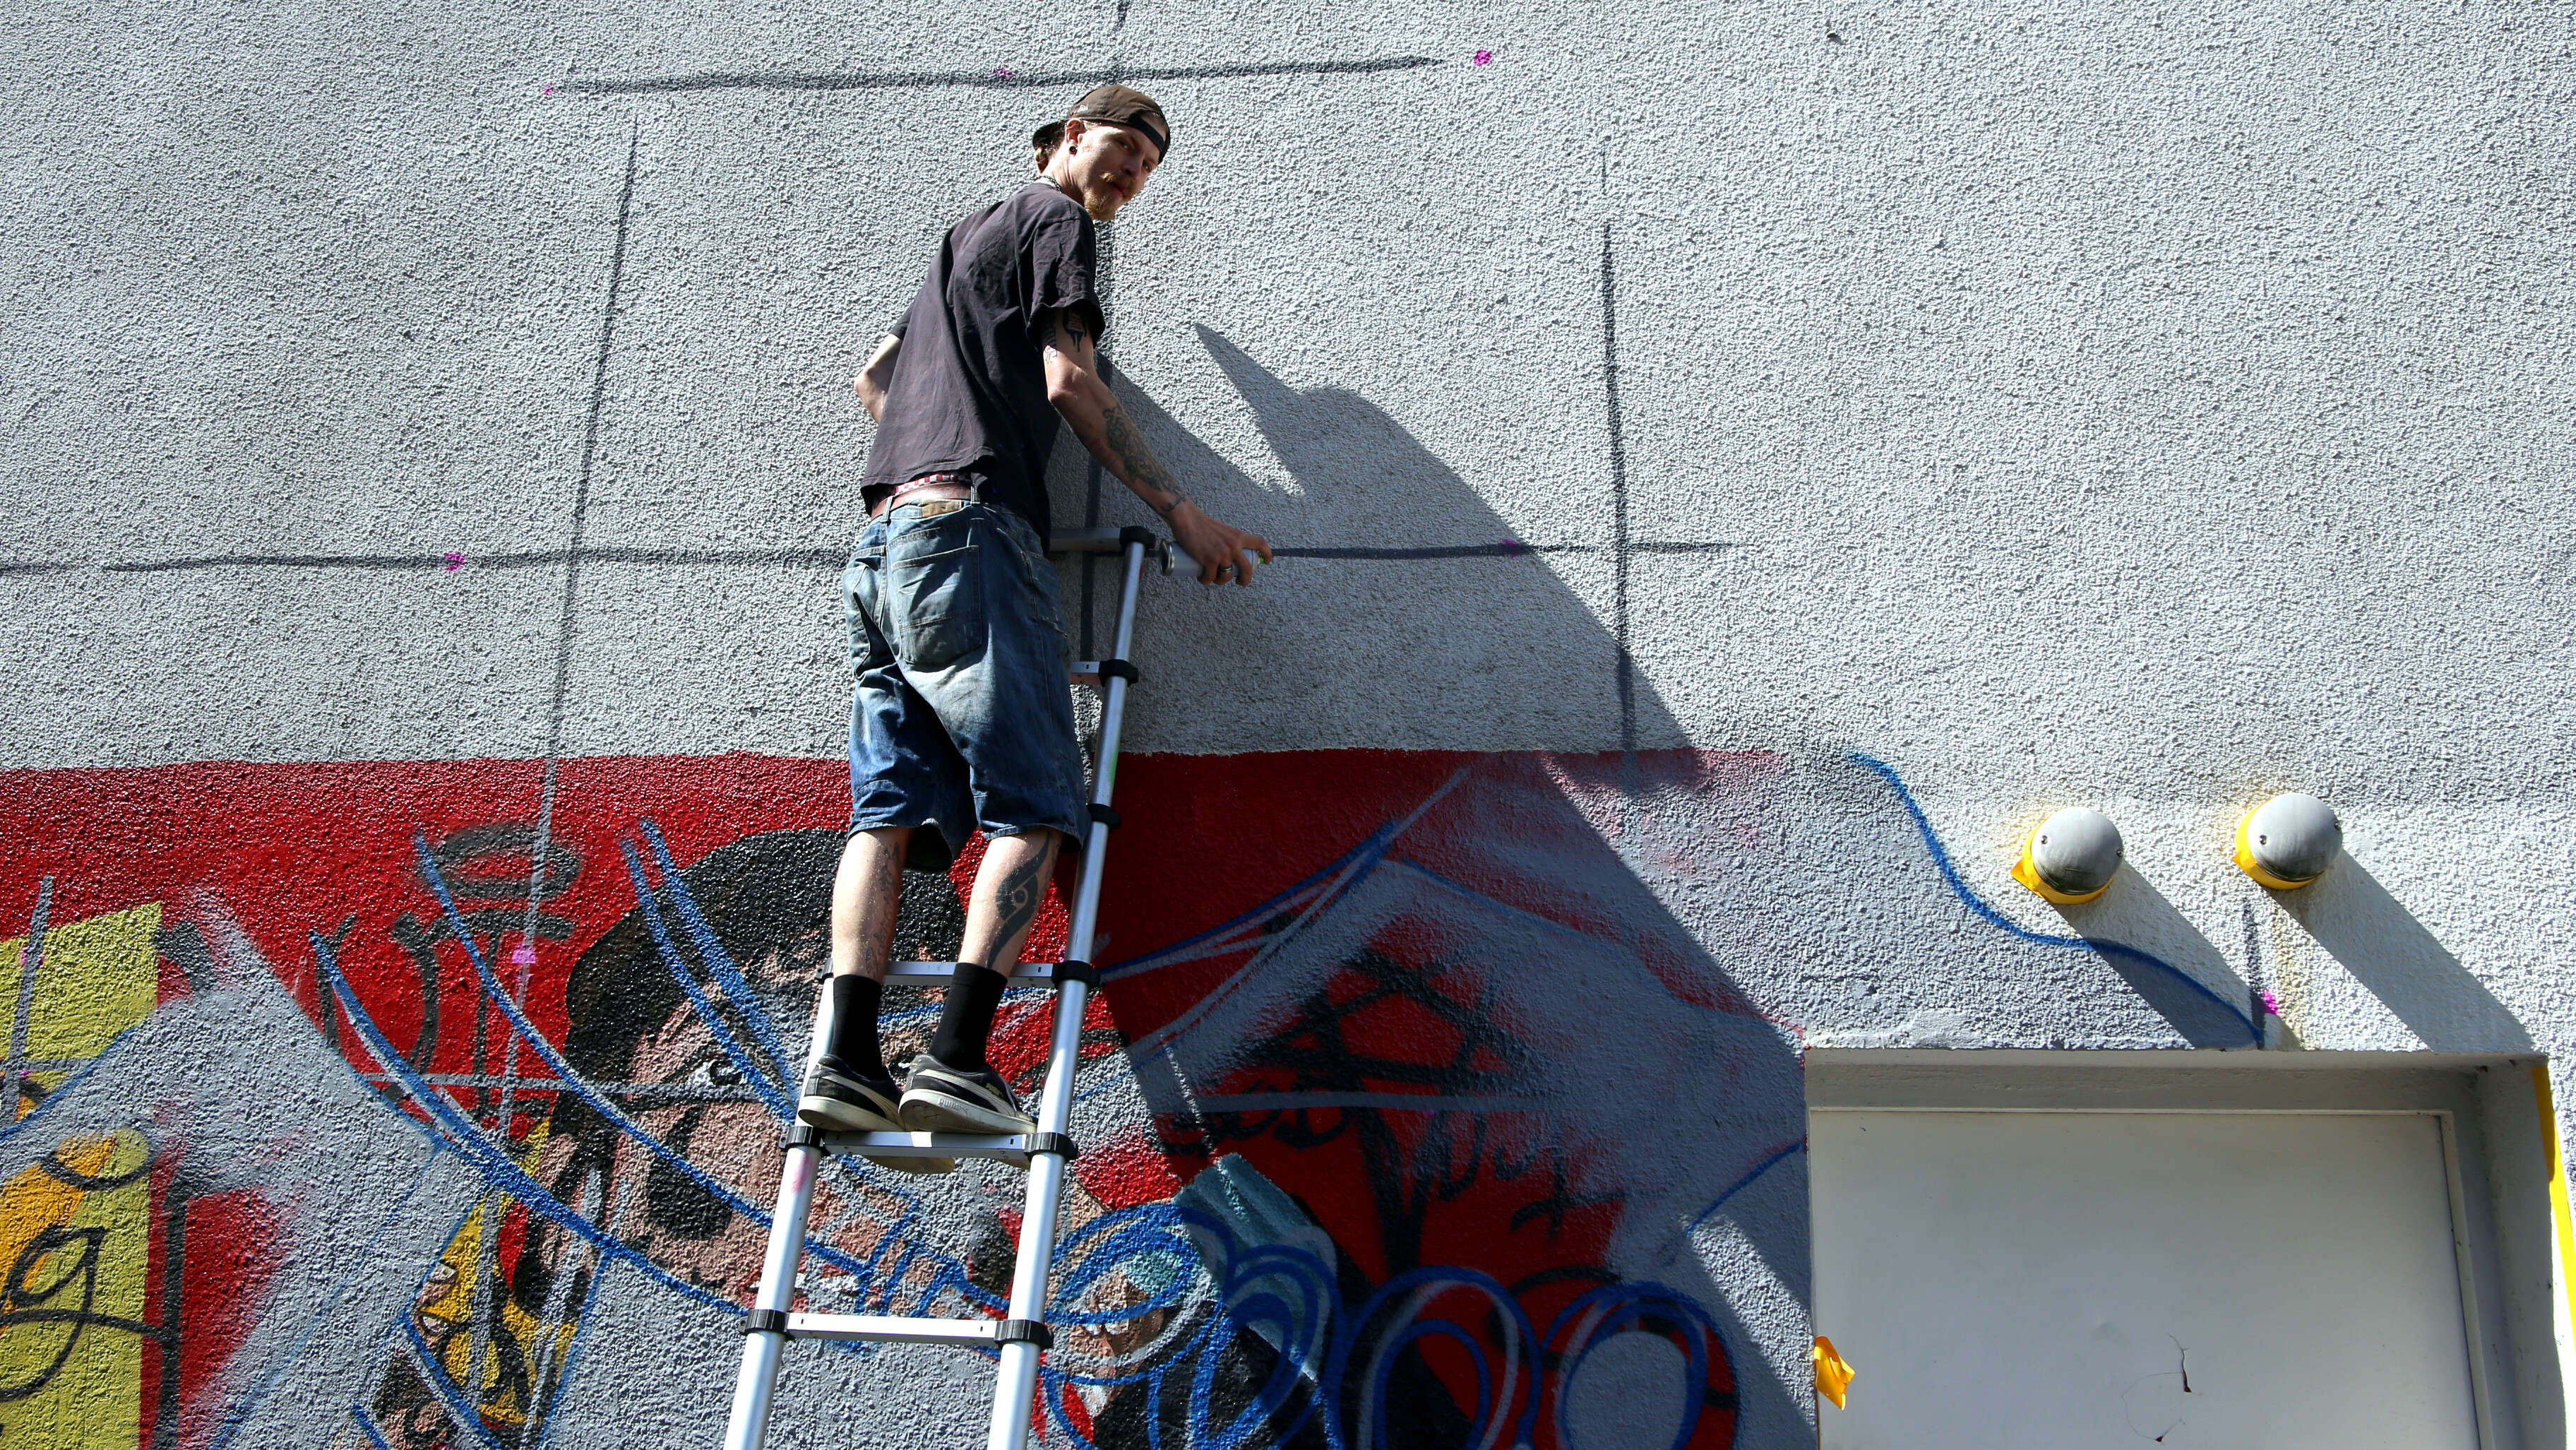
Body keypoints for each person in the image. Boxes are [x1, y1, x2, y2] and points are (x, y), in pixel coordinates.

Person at [797, 85, 1272, 1154]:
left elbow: (876, 378)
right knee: (1041, 798)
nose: (1133, 174)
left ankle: (847, 1061)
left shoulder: (963, 243)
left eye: (1148, 166)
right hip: (973, 534)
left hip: (885, 543)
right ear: (1067, 136)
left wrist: (938, 444)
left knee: (886, 812)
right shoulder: (1055, 221)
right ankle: (958, 1060)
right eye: (1126, 147)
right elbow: (1069, 381)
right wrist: (1183, 512)